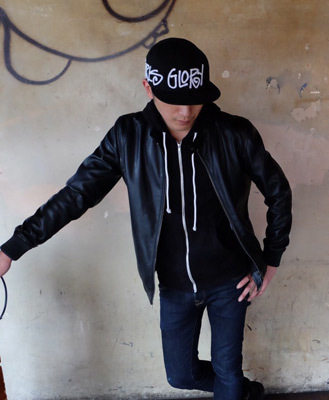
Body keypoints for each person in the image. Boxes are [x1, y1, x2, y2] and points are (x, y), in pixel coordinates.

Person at [0, 37, 292, 400]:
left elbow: (278, 192)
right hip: (174, 286)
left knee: (227, 369)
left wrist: (270, 260)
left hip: (230, 281)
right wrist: (13, 247)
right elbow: (77, 195)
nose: (185, 111)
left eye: (194, 99)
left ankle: (233, 389)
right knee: (181, 375)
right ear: (148, 88)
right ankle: (246, 393)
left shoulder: (234, 133)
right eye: (173, 100)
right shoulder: (128, 136)